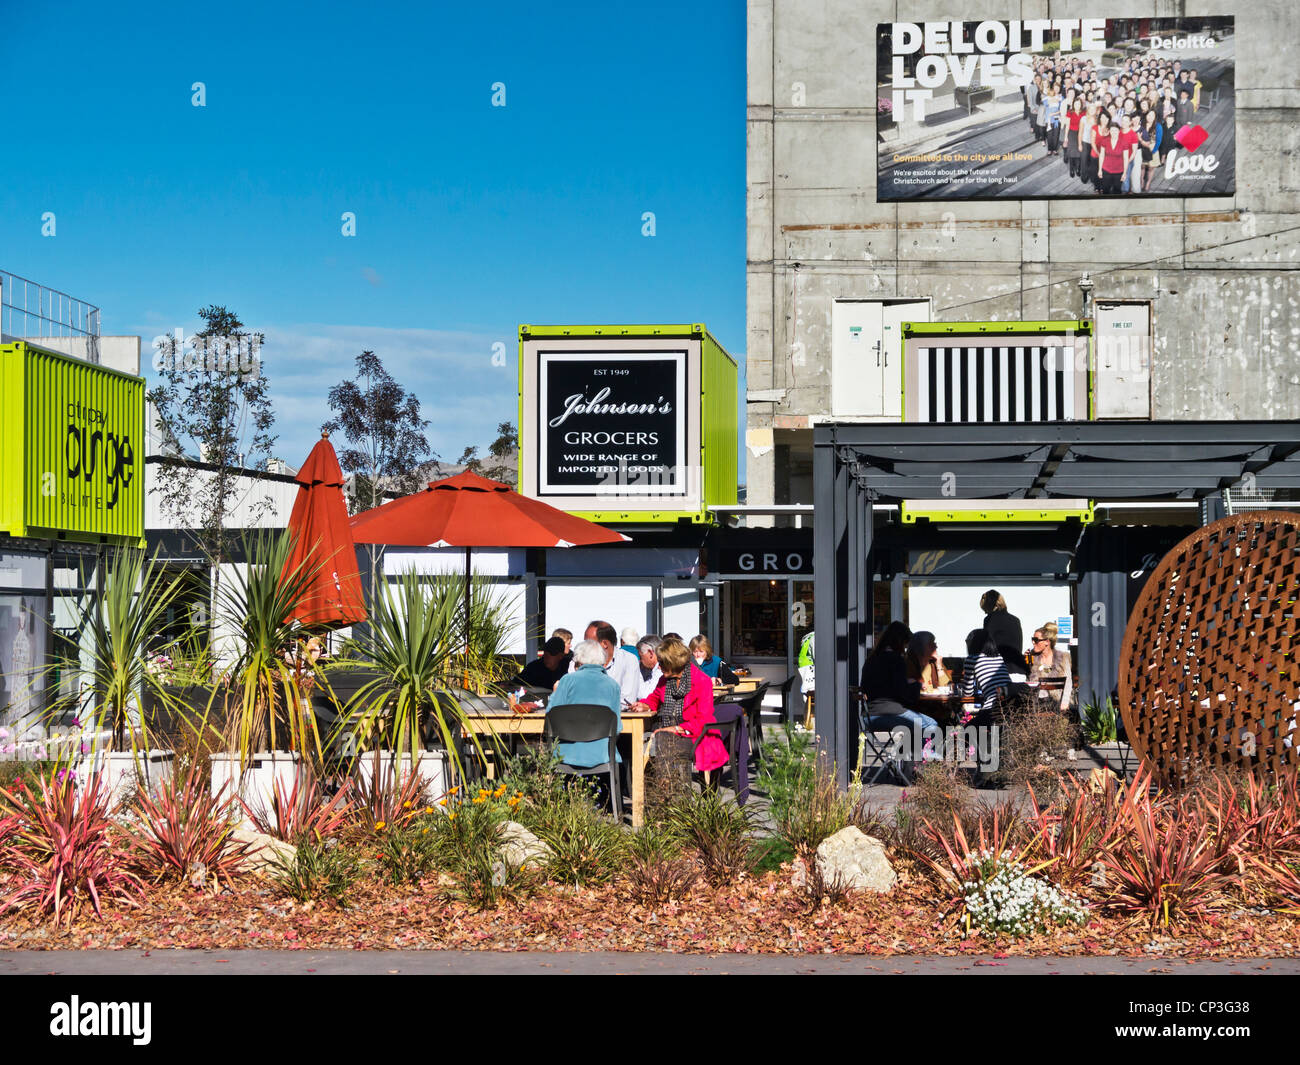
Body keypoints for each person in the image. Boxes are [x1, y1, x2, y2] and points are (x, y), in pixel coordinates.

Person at [632, 636, 728, 785]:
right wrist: (645, 705)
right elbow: (655, 698)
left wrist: (675, 728)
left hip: (697, 736)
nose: (659, 666)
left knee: (663, 741)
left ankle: (667, 793)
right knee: (653, 743)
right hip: (670, 734)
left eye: (662, 663)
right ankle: (665, 794)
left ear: (673, 663)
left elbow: (703, 719)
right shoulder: (664, 681)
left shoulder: (701, 682)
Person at [859, 621, 939, 758]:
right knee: (931, 724)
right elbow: (904, 693)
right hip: (890, 713)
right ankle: (924, 764)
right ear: (900, 642)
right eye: (905, 644)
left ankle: (907, 759)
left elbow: (877, 685)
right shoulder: (896, 660)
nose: (906, 648)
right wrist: (916, 685)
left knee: (915, 727)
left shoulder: (871, 659)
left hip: (869, 716)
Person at [547, 639, 622, 770]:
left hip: (566, 753)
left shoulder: (567, 680)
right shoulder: (613, 685)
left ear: (579, 661)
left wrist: (555, 693)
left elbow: (551, 716)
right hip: (602, 754)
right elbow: (617, 728)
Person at [567, 620, 640, 707]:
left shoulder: (629, 660)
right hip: (583, 716)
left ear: (604, 644)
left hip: (616, 718)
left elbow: (626, 701)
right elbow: (571, 694)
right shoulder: (577, 660)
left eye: (588, 643)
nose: (584, 647)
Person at [960, 629, 1012, 723]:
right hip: (1010, 707)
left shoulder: (972, 659)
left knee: (965, 731)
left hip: (992, 708)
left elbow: (967, 693)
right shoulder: (998, 657)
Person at [1029, 622, 1073, 712]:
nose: (1033, 642)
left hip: (1057, 702)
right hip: (1037, 704)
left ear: (1047, 642)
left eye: (1036, 640)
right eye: (1032, 639)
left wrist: (1064, 702)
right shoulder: (1032, 658)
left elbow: (1068, 682)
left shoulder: (1063, 658)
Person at [979, 590, 1024, 677]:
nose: (985, 612)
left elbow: (987, 646)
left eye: (985, 609)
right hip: (1018, 671)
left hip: (1001, 672)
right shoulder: (1015, 620)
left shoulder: (990, 619)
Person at [1139, 109, 1162, 192]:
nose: (1150, 117)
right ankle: (1141, 181)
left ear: (1155, 116)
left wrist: (1154, 151)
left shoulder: (1158, 126)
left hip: (1153, 148)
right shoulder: (1142, 124)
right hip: (1142, 147)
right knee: (1142, 166)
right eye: (1149, 115)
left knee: (1151, 168)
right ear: (1146, 116)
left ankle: (1148, 183)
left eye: (1152, 115)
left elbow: (1159, 140)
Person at [634, 635, 663, 700]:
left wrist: (636, 670)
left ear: (650, 653)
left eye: (640, 657)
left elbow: (644, 695)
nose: (640, 661)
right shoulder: (650, 668)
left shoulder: (661, 670)